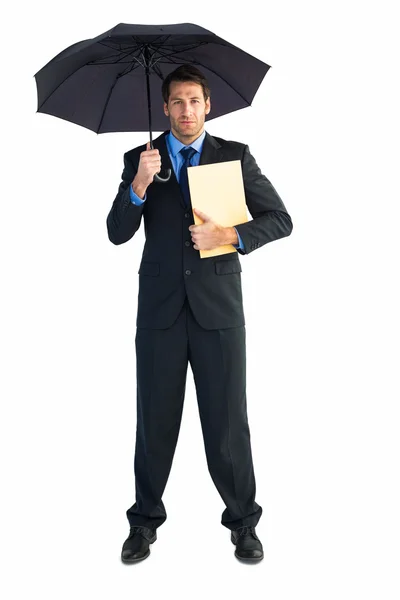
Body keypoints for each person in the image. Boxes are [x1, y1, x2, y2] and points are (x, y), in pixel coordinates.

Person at [106, 64, 293, 564]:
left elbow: (281, 219)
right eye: (177, 102)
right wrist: (138, 187)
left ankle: (244, 524)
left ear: (208, 106)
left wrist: (230, 236)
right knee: (154, 423)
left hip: (219, 313)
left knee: (228, 423)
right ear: (164, 108)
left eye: (194, 101)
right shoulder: (139, 159)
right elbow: (117, 232)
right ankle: (143, 524)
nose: (186, 111)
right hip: (161, 315)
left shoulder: (233, 157)